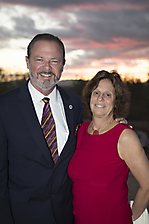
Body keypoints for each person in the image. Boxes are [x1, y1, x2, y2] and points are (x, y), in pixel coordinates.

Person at [0, 33, 83, 224]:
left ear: (63, 64)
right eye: (40, 60)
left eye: (54, 61)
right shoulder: (4, 106)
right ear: (27, 62)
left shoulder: (76, 104)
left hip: (66, 214)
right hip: (21, 215)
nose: (47, 68)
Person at [68, 70, 149, 224]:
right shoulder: (79, 132)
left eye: (108, 95)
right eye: (96, 92)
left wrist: (130, 217)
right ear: (89, 97)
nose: (100, 98)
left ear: (116, 101)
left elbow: (147, 185)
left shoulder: (125, 136)